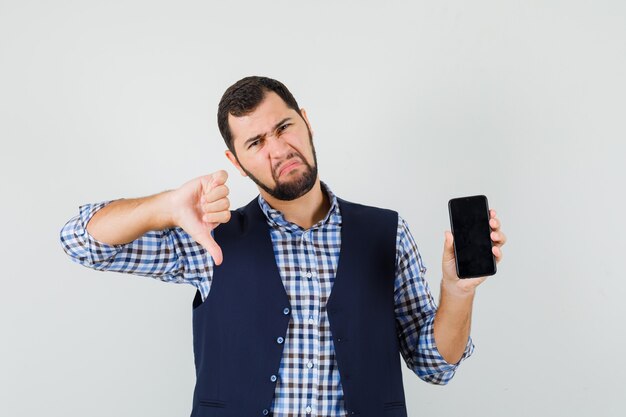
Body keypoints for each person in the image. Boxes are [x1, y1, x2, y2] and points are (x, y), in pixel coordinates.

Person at [59, 76, 507, 417]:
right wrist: (164, 206)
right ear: (235, 162)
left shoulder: (386, 233)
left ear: (306, 121)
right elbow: (81, 241)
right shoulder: (208, 236)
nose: (278, 149)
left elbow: (436, 365)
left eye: (284, 127)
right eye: (256, 142)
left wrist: (459, 290)